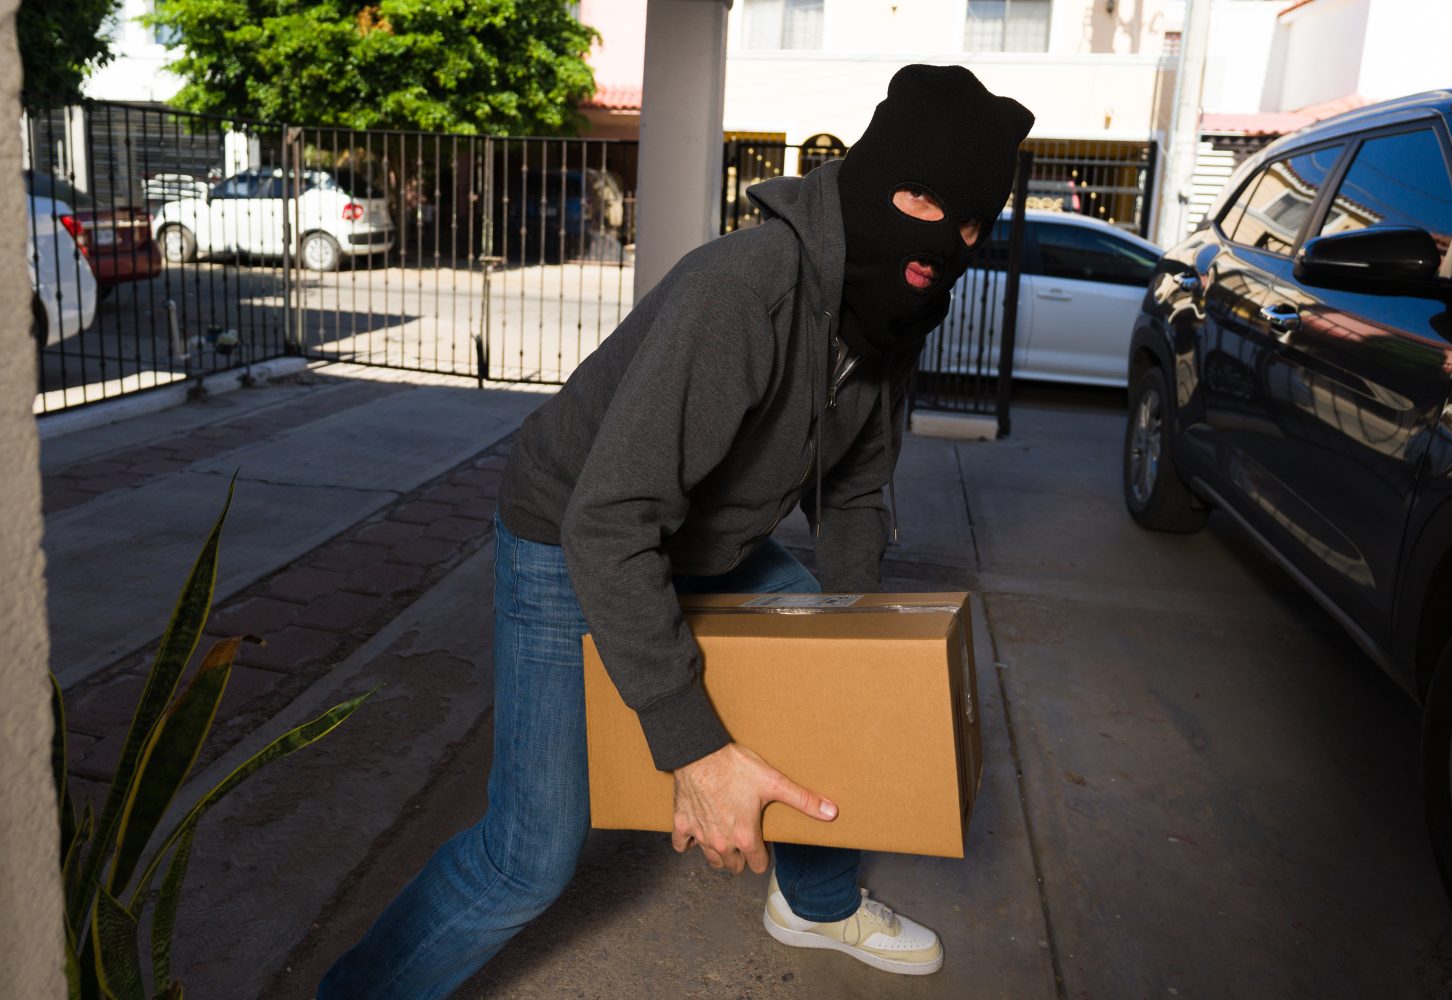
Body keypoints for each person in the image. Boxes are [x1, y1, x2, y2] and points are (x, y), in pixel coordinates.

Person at [320, 64, 1033, 999]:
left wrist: (856, 646)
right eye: (923, 200)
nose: (946, 240)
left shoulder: (894, 312)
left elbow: (856, 491)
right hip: (569, 536)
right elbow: (609, 524)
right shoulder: (744, 288)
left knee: (833, 685)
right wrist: (693, 749)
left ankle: (816, 902)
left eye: (971, 226)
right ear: (872, 178)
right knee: (529, 857)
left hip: (710, 540)